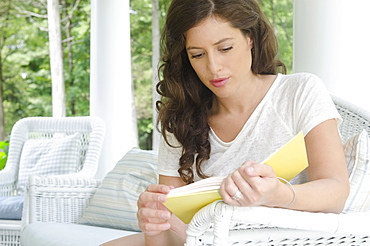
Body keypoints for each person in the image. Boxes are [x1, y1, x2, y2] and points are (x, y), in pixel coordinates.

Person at [102, 0, 349, 245]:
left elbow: (335, 190)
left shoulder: (299, 92)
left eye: (225, 48)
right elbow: (176, 238)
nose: (213, 67)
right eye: (197, 55)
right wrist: (155, 228)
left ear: (250, 38)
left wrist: (276, 194)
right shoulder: (180, 118)